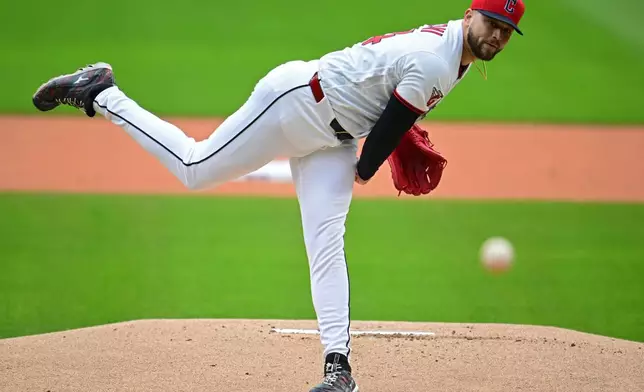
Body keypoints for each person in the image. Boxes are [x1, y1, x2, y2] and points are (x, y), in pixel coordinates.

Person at [32, 0, 525, 390]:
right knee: (195, 167)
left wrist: (390, 134)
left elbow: (388, 112)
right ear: (469, 16)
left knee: (327, 243)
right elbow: (374, 155)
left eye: (506, 31)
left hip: (333, 136)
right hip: (295, 104)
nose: (497, 36)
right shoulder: (435, 61)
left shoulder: (452, 53)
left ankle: (339, 369)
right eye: (492, 24)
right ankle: (101, 92)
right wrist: (384, 150)